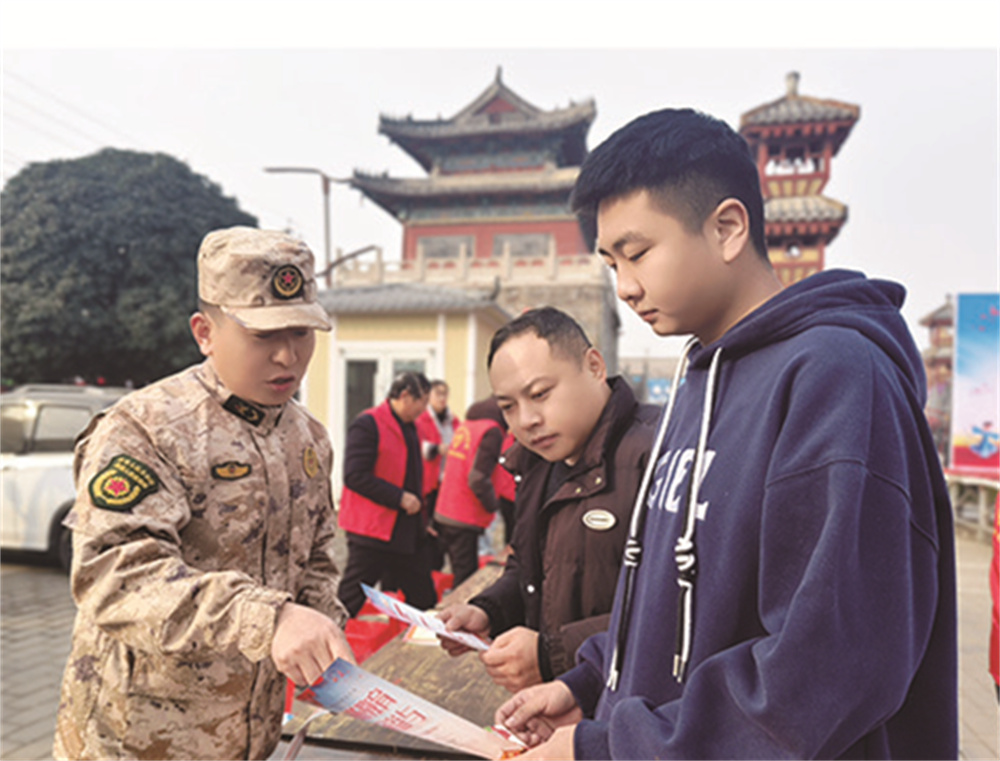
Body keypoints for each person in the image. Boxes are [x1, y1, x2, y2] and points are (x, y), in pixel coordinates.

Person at [495, 109, 958, 760]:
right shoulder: (696, 380)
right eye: (610, 262)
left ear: (728, 227)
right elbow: (671, 599)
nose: (625, 287)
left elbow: (827, 663)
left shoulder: (836, 377)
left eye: (638, 253)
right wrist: (590, 683)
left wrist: (611, 749)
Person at [53, 227, 355, 761]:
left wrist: (324, 631)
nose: (288, 356)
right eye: (264, 336)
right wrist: (271, 619)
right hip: (138, 739)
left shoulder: (308, 439)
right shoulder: (146, 428)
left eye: (301, 332)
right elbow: (115, 575)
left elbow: (315, 561)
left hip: (248, 736)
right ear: (204, 332)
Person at [439, 307, 658, 694]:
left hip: (634, 706)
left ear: (594, 366)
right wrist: (488, 610)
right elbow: (529, 568)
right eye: (508, 406)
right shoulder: (535, 464)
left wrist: (551, 654)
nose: (526, 420)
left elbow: (679, 609)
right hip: (556, 703)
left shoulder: (660, 453)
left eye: (540, 394)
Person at [337, 371, 438, 617]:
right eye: (422, 402)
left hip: (406, 529)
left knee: (424, 597)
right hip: (373, 530)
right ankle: (330, 634)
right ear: (405, 396)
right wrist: (399, 497)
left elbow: (412, 476)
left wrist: (423, 522)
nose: (424, 410)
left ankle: (421, 636)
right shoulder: (368, 424)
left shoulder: (411, 427)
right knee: (352, 595)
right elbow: (354, 475)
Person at [433, 397, 509, 586]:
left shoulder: (468, 424)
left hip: (446, 508)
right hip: (465, 513)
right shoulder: (492, 432)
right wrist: (493, 505)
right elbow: (477, 477)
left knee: (446, 571)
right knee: (465, 580)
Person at [415, 379, 460, 571]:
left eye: (445, 394)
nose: (442, 398)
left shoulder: (454, 421)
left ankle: (440, 568)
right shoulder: (421, 419)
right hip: (430, 481)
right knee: (430, 529)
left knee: (445, 530)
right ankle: (431, 567)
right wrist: (438, 448)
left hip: (449, 482)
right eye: (438, 394)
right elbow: (419, 447)